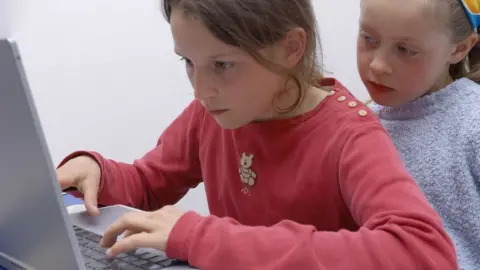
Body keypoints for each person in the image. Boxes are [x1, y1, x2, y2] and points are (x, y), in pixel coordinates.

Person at [57, 0, 458, 269]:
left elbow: (423, 252)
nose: (200, 90)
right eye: (189, 62)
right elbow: (146, 184)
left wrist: (204, 237)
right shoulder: (209, 114)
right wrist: (97, 172)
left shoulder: (351, 137)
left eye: (223, 65)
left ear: (291, 48)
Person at [358, 0, 480, 268]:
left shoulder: (473, 125)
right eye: (369, 38)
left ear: (459, 49)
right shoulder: (359, 121)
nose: (378, 65)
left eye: (405, 49)